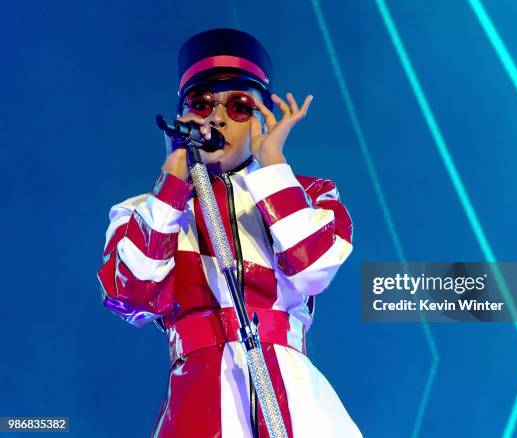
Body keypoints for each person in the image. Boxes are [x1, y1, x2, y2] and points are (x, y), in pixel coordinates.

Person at [97, 28, 362, 438]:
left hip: (297, 402)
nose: (216, 117)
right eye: (201, 103)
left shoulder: (308, 192)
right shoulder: (144, 212)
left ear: (260, 118)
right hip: (198, 400)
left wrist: (271, 162)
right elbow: (130, 295)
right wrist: (172, 176)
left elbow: (315, 269)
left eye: (239, 106)